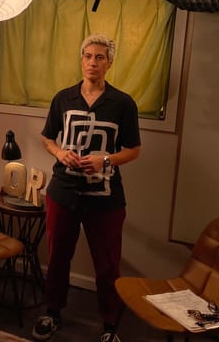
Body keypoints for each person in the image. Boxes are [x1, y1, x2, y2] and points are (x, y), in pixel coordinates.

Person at [32, 34, 141, 342]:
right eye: (88, 56)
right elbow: (47, 138)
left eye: (100, 57)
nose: (93, 62)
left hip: (105, 199)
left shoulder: (122, 103)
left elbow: (133, 150)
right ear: (81, 59)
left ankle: (109, 326)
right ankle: (51, 312)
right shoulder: (63, 98)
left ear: (109, 63)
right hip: (63, 193)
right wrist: (58, 153)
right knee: (57, 258)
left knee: (107, 265)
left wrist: (104, 160)